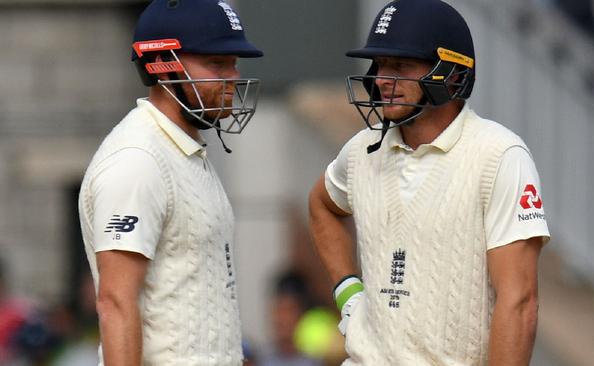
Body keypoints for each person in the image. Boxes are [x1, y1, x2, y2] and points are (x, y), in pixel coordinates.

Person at [308, 0, 550, 365]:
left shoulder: (499, 155)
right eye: (380, 65)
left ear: (451, 72)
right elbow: (321, 206)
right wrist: (349, 293)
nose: (382, 79)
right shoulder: (361, 150)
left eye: (401, 65)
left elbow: (519, 302)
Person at [78, 0, 263, 365]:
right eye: (216, 63)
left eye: (234, 63)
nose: (233, 77)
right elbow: (115, 301)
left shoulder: (186, 153)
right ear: (164, 65)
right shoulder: (138, 161)